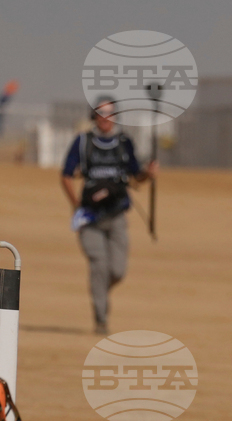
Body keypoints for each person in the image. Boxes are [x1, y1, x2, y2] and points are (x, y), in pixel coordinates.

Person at [60, 96, 158, 335]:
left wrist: (148, 173)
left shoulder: (124, 143)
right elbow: (66, 175)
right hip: (90, 218)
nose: (105, 119)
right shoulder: (82, 142)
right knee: (99, 265)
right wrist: (77, 206)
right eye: (101, 113)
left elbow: (136, 176)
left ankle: (100, 291)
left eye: (110, 113)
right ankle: (101, 320)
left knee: (117, 270)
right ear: (94, 116)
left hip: (116, 216)